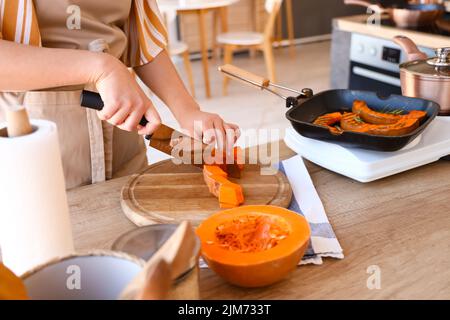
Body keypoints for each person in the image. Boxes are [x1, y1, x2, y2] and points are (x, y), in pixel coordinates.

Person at [0, 0, 239, 188]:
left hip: (124, 127)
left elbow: (144, 42)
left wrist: (188, 111)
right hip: (34, 136)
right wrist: (101, 68)